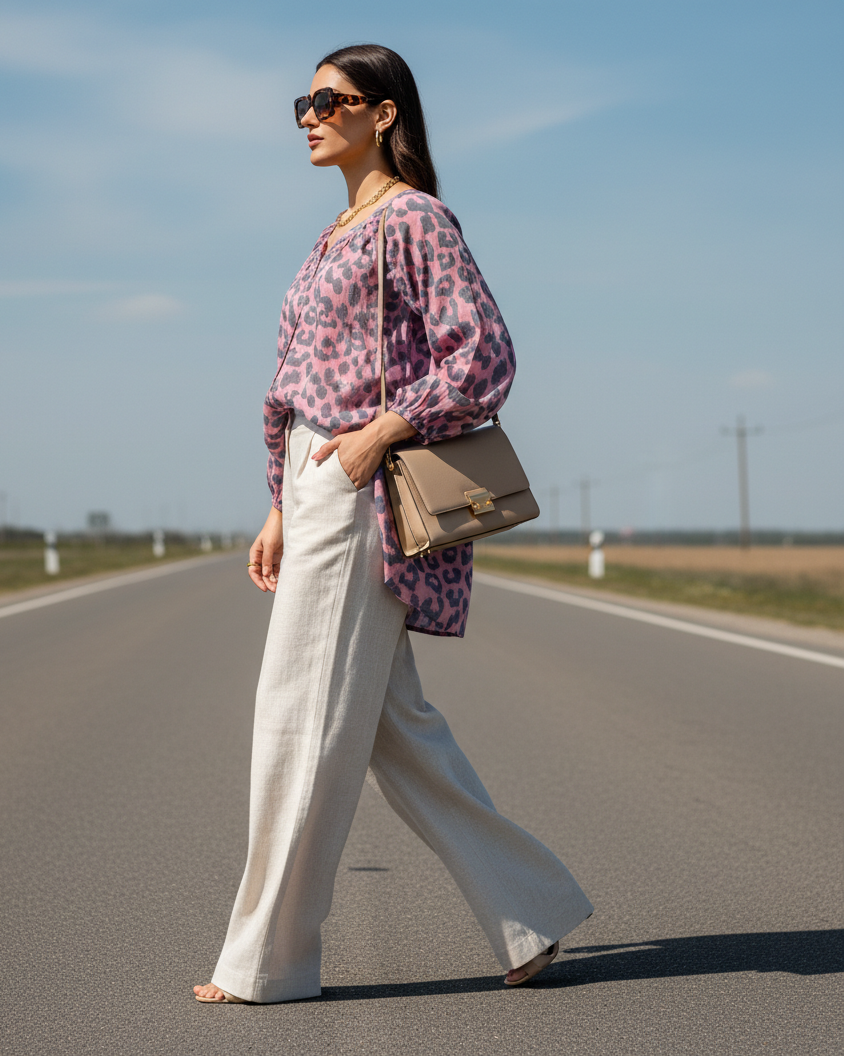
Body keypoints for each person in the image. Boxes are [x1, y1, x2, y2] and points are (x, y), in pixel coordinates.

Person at [194, 43, 592, 1005]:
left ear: (383, 114)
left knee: (298, 717)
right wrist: (281, 503)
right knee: (389, 724)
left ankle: (270, 963)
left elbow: (483, 352)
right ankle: (527, 911)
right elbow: (297, 386)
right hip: (318, 482)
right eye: (303, 100)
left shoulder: (415, 221)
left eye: (328, 99)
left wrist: (381, 431)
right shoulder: (334, 236)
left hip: (362, 483)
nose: (307, 114)